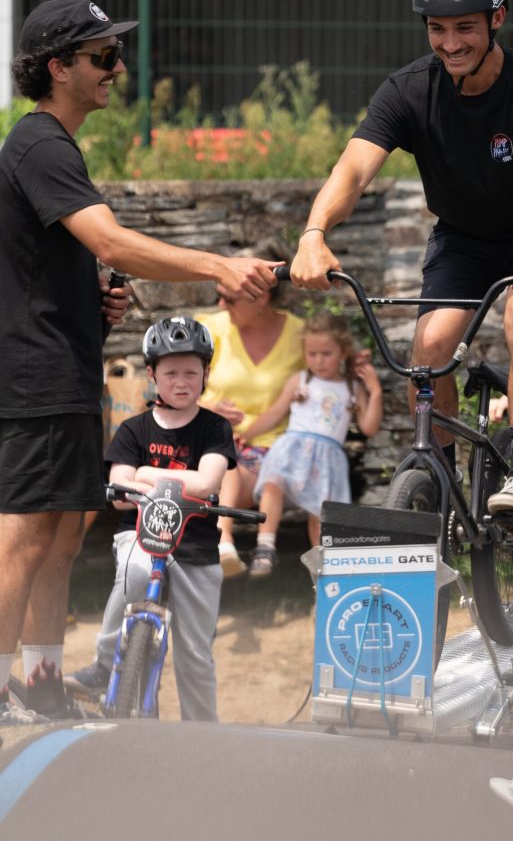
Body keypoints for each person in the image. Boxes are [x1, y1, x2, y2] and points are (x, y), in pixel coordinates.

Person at [0, 0, 278, 725]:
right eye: (101, 57)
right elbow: (115, 243)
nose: (116, 68)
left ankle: (41, 683)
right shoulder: (40, 143)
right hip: (34, 371)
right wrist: (217, 265)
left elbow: (41, 262)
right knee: (26, 535)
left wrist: (87, 300)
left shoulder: (52, 145)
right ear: (57, 68)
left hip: (60, 364)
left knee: (63, 533)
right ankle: (3, 692)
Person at [289, 0, 513, 540]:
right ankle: (444, 479)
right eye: (437, 30)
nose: (451, 43)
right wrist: (313, 234)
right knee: (428, 346)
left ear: (497, 18)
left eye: (464, 28)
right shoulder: (408, 91)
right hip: (464, 235)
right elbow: (351, 172)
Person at [64, 317, 236, 721]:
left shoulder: (214, 428)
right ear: (152, 375)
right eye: (171, 372)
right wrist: (156, 481)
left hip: (196, 547)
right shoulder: (133, 430)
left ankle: (202, 731)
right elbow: (120, 490)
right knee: (135, 574)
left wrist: (145, 475)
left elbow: (208, 481)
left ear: (206, 374)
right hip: (141, 535)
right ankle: (105, 663)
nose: (182, 381)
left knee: (195, 651)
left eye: (191, 372)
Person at [244, 311, 383, 572]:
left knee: (320, 513)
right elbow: (275, 412)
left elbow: (369, 427)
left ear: (342, 352)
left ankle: (323, 571)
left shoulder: (352, 388)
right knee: (273, 484)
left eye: (326, 354)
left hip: (327, 458)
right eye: (312, 354)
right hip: (293, 448)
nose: (318, 361)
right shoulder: (301, 380)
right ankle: (265, 545)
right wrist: (246, 434)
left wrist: (374, 392)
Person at [194, 256, 305, 574]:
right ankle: (223, 542)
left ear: (261, 297)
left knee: (234, 467)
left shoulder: (299, 336)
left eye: (228, 297)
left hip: (268, 451)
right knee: (222, 456)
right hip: (206, 443)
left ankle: (223, 543)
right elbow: (169, 387)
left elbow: (325, 385)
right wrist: (205, 409)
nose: (220, 304)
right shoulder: (209, 327)